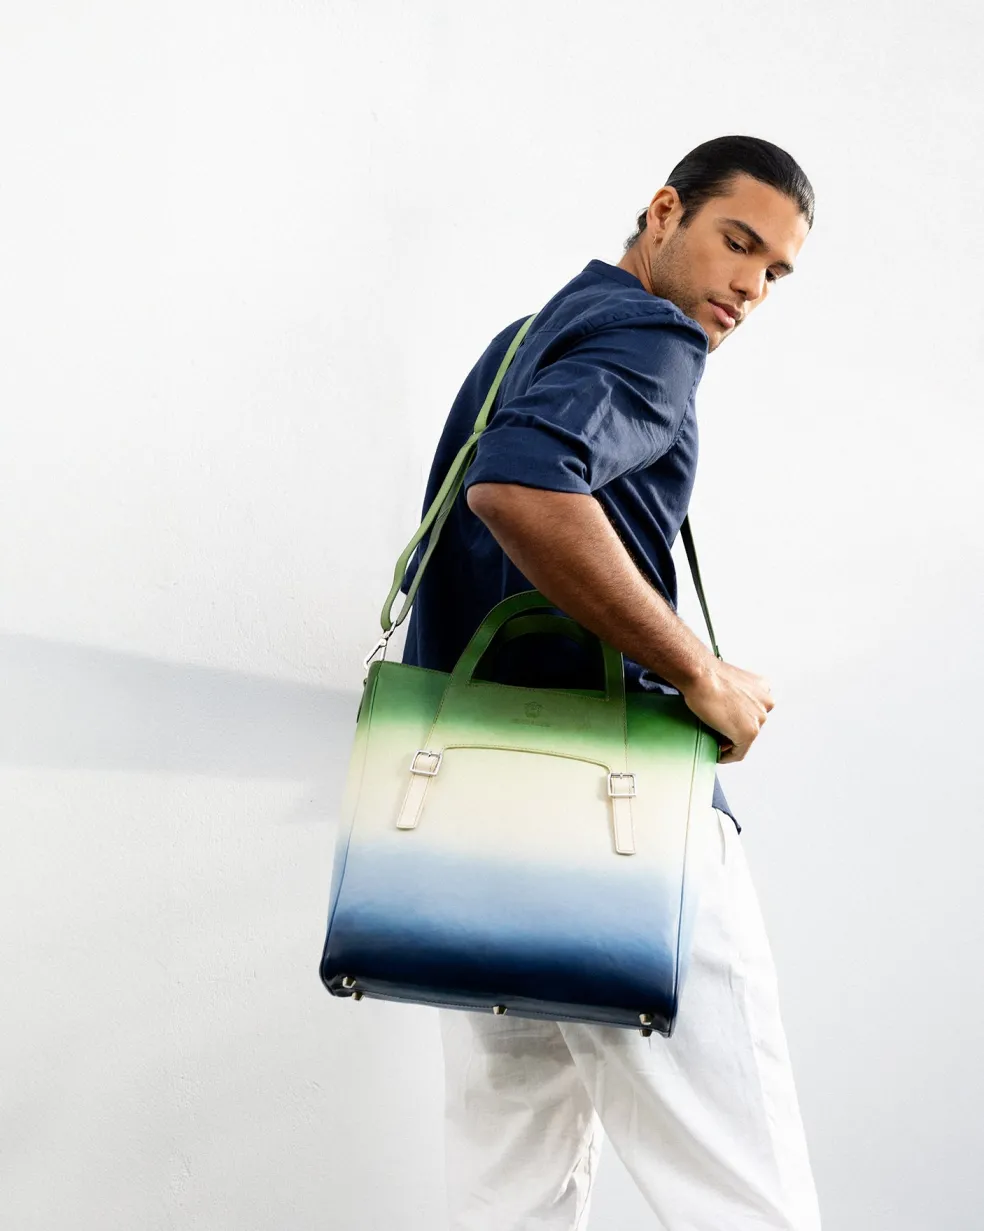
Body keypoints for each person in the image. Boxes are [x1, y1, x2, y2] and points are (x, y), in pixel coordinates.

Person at [399, 134, 822, 1230]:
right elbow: (521, 488)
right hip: (622, 815)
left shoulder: (524, 341)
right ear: (664, 210)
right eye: (738, 242)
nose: (750, 287)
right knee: (744, 1187)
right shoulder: (652, 335)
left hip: (473, 826)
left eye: (775, 271)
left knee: (509, 1190)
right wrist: (699, 671)